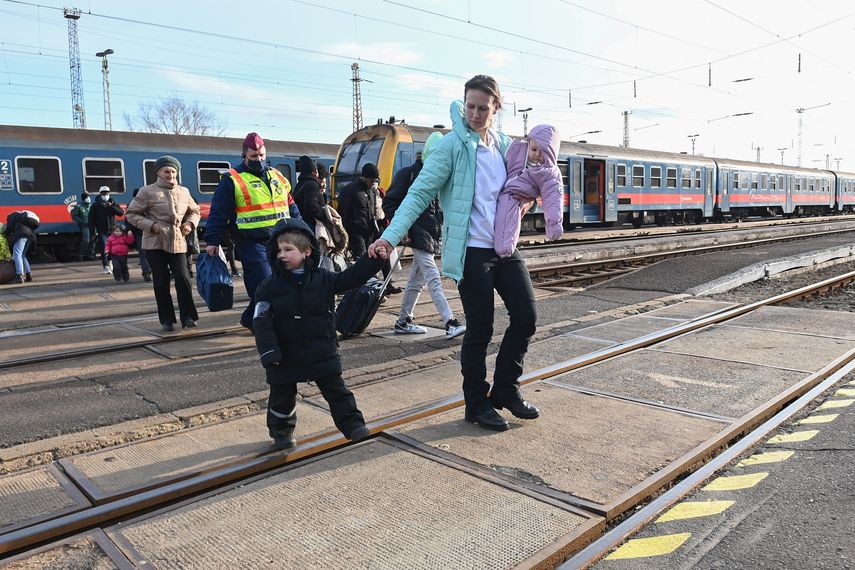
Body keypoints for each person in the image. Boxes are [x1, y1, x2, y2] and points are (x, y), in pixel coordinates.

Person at [369, 74, 539, 432]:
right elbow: (418, 194)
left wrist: (529, 202)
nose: (475, 114)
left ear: (497, 107)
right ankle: (476, 404)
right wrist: (389, 236)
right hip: (472, 252)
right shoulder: (450, 147)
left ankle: (506, 389)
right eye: (470, 107)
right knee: (481, 329)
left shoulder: (506, 146)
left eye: (483, 108)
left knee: (526, 317)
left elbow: (521, 190)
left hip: (505, 248)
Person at [253, 217, 380, 450]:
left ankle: (353, 426)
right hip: (284, 355)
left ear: (307, 251)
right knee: (282, 397)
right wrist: (269, 352)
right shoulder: (269, 286)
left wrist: (373, 260)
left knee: (337, 391)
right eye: (279, 250)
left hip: (321, 349)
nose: (282, 254)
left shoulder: (323, 279)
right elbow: (260, 321)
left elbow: (350, 278)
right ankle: (281, 433)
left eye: (288, 249)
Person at [204, 132, 301, 331]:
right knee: (263, 283)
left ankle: (250, 317)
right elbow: (219, 212)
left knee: (281, 281)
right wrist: (212, 240)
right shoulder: (232, 180)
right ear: (244, 156)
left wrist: (302, 229)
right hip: (251, 242)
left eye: (262, 155)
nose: (259, 160)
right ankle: (262, 323)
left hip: (281, 240)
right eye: (254, 157)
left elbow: (290, 205)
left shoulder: (278, 176)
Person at [383, 132, 466, 339]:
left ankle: (403, 320)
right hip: (418, 234)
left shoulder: (437, 173)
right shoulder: (408, 174)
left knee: (416, 282)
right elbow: (389, 203)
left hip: (429, 234)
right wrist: (403, 229)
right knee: (433, 278)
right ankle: (450, 322)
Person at [125, 156, 201, 332]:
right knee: (161, 281)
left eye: (173, 171)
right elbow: (131, 214)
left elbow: (195, 211)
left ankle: (188, 316)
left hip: (178, 240)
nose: (171, 174)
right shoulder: (147, 191)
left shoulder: (184, 191)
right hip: (155, 242)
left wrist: (189, 224)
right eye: (167, 171)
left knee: (183, 278)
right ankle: (167, 319)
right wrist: (152, 226)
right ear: (158, 172)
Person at [494, 124, 564, 257]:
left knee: (509, 217)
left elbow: (553, 199)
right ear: (528, 145)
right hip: (504, 193)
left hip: (517, 196)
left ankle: (505, 248)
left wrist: (554, 224)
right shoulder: (517, 151)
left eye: (543, 151)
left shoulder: (549, 173)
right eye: (534, 149)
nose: (537, 154)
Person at [337, 163, 402, 294]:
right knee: (362, 261)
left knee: (383, 256)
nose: (373, 183)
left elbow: (373, 211)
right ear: (364, 177)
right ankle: (363, 289)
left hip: (371, 231)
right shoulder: (350, 190)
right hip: (356, 232)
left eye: (375, 181)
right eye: (371, 180)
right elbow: (342, 212)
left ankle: (387, 284)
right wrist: (344, 235)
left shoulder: (372, 190)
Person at [88, 186, 124, 274]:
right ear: (100, 194)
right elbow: (91, 220)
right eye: (104, 193)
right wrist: (93, 232)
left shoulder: (112, 202)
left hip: (112, 230)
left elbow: (121, 213)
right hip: (102, 231)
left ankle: (111, 262)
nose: (106, 195)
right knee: (104, 248)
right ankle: (106, 266)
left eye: (107, 193)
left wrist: (111, 207)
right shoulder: (95, 205)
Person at [292, 155, 325, 234]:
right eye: (316, 172)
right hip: (311, 225)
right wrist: (323, 215)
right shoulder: (312, 184)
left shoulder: (299, 185)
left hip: (301, 223)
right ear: (314, 172)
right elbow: (311, 205)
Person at [5, 211, 38, 284]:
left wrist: (5, 233)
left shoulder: (11, 216)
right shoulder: (23, 219)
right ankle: (28, 275)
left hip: (21, 235)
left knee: (17, 254)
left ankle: (19, 276)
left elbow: (9, 227)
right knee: (22, 255)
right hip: (30, 236)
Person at [126, 188, 152, 281]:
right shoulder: (131, 205)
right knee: (144, 253)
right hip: (140, 232)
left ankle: (148, 271)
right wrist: (129, 229)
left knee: (147, 253)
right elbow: (128, 218)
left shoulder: (148, 203)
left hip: (147, 231)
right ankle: (146, 272)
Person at [70, 192, 94, 261]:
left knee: (93, 240)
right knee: (86, 240)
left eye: (88, 197)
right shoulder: (79, 206)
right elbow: (75, 216)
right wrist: (82, 222)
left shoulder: (92, 206)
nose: (88, 198)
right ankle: (81, 254)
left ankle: (90, 255)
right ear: (83, 199)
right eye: (86, 197)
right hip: (85, 226)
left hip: (93, 225)